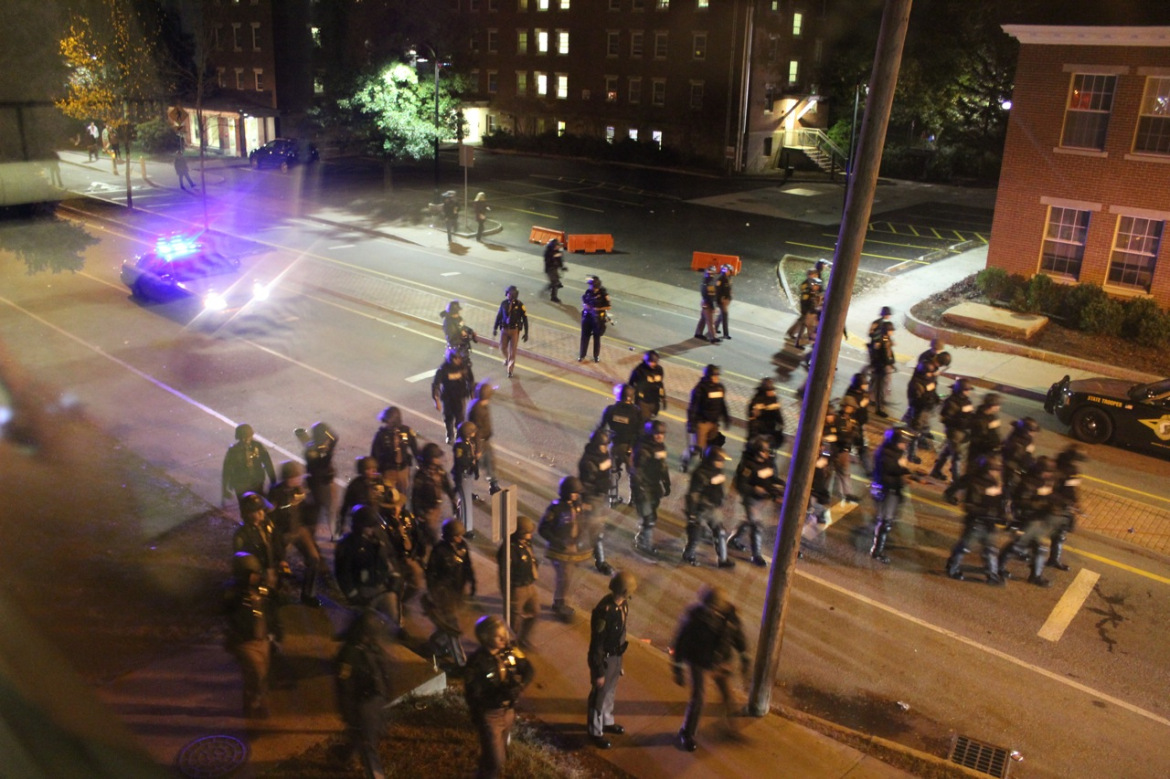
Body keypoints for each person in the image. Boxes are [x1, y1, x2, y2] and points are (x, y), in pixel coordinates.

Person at [670, 585, 749, 752]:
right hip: (698, 661)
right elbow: (681, 643)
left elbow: (737, 636)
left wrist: (744, 655)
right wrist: (677, 668)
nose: (710, 610)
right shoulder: (694, 619)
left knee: (728, 696)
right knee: (698, 698)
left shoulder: (730, 617)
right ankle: (687, 733)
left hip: (719, 660)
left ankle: (732, 729)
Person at [464, 615, 534, 779]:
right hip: (490, 715)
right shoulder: (477, 663)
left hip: (508, 712)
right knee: (497, 760)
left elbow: (528, 669)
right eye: (498, 636)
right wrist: (500, 695)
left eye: (504, 634)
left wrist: (520, 686)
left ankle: (483, 771)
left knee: (495, 753)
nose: (504, 639)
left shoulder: (509, 651)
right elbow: (474, 695)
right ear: (486, 638)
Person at [335, 609, 394, 779]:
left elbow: (383, 674)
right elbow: (344, 687)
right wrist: (349, 714)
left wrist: (386, 696)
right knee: (367, 744)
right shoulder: (349, 654)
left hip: (375, 703)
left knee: (361, 736)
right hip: (362, 705)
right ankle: (376, 775)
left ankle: (342, 757)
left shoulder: (372, 648)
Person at [335, 504, 406, 635]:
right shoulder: (349, 545)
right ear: (360, 526)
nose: (373, 530)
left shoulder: (379, 540)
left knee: (393, 619)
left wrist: (395, 577)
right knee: (364, 627)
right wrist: (353, 595)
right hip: (364, 592)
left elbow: (390, 558)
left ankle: (393, 635)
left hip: (383, 588)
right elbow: (343, 573)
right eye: (370, 527)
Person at [587, 571, 637, 750]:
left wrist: (619, 664)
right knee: (598, 696)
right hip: (605, 659)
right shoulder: (604, 611)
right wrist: (598, 671)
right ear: (624, 591)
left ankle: (606, 721)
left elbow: (621, 635)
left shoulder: (622, 606)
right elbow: (597, 644)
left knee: (610, 692)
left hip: (615, 658)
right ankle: (595, 730)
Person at [224, 551, 276, 719]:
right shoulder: (234, 596)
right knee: (257, 674)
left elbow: (270, 610)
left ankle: (254, 704)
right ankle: (258, 705)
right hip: (246, 643)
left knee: (262, 675)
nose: (256, 577)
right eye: (252, 574)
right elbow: (227, 612)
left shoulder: (260, 592)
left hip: (263, 640)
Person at [268, 460, 326, 606]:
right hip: (282, 532)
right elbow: (273, 519)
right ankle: (275, 593)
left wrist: (307, 500)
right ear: (288, 478)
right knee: (277, 564)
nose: (299, 479)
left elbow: (309, 511)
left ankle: (308, 594)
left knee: (314, 559)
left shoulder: (300, 489)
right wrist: (280, 555)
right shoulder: (276, 493)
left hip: (299, 529)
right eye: (296, 476)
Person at [945, 452, 1006, 585]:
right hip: (976, 523)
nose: (996, 473)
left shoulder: (995, 482)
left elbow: (999, 502)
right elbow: (970, 506)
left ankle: (992, 575)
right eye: (993, 470)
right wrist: (988, 511)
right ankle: (952, 568)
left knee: (991, 549)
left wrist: (1002, 514)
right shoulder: (976, 484)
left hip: (989, 522)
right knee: (964, 547)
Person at [998, 456, 1056, 587]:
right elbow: (1022, 503)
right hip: (1025, 520)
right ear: (1042, 470)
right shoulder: (1028, 483)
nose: (1050, 474)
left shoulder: (1043, 481)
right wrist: (1040, 503)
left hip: (1036, 520)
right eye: (1048, 471)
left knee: (1039, 547)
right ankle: (998, 567)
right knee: (1017, 546)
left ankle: (1035, 576)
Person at [424, 519, 476, 667]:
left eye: (461, 535)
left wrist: (472, 582)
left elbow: (467, 566)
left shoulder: (463, 547)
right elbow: (431, 574)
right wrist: (433, 594)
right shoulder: (439, 551)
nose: (460, 538)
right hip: (443, 594)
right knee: (452, 627)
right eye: (456, 535)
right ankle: (461, 662)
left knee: (446, 625)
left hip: (457, 592)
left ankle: (435, 644)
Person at [538, 475, 589, 621]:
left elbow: (580, 522)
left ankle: (561, 601)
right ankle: (559, 603)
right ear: (566, 492)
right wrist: (557, 541)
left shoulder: (576, 505)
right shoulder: (556, 508)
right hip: (559, 550)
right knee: (564, 577)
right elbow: (543, 529)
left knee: (568, 576)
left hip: (572, 548)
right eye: (574, 492)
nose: (577, 495)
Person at [728, 436, 785, 566]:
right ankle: (756, 555)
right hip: (751, 499)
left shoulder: (768, 462)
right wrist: (755, 489)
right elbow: (742, 485)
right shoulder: (747, 466)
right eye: (764, 451)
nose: (766, 454)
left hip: (763, 499)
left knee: (748, 521)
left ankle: (733, 539)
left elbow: (771, 477)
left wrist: (781, 484)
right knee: (756, 524)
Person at [682, 444, 735, 568]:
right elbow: (693, 494)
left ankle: (723, 559)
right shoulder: (700, 474)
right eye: (719, 461)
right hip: (701, 508)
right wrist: (692, 513)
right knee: (696, 534)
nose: (721, 463)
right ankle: (688, 555)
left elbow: (718, 491)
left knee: (720, 532)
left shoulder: (717, 471)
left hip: (713, 508)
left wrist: (721, 501)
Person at [869, 427, 913, 564]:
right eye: (902, 442)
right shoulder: (886, 455)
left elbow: (899, 469)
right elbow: (885, 476)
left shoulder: (896, 453)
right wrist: (902, 477)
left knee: (888, 519)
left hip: (893, 491)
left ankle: (879, 540)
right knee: (885, 522)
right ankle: (877, 551)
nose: (904, 445)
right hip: (886, 491)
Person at [497, 515, 540, 649]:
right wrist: (507, 592)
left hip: (530, 585)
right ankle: (509, 644)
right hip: (517, 588)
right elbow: (504, 574)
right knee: (513, 622)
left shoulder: (526, 543)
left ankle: (523, 639)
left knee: (535, 611)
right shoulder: (509, 549)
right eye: (527, 533)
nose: (530, 535)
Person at [577, 428, 616, 576]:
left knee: (589, 527)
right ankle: (600, 562)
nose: (606, 447)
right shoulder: (588, 462)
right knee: (595, 531)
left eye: (607, 445)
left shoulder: (603, 455)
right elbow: (586, 484)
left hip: (601, 497)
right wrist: (587, 501)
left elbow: (607, 472)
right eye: (603, 445)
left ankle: (580, 546)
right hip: (592, 498)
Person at [630, 419, 671, 556]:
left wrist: (666, 483)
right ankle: (644, 544)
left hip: (654, 486)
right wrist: (639, 490)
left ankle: (642, 535)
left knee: (651, 515)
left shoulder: (660, 448)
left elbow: (663, 467)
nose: (660, 436)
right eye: (656, 433)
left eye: (662, 433)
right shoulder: (643, 450)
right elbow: (637, 472)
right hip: (644, 487)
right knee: (648, 518)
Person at [597, 383, 641, 507]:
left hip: (614, 446)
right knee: (632, 474)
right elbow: (639, 432)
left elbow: (601, 428)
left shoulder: (610, 410)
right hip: (629, 448)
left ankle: (613, 498)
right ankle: (632, 500)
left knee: (613, 473)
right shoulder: (636, 411)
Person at [680, 364, 730, 473]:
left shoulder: (720, 388)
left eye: (717, 375)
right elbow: (693, 407)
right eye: (714, 375)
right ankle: (685, 460)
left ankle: (706, 466)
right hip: (701, 423)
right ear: (708, 376)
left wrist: (726, 418)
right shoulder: (700, 389)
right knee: (698, 448)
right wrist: (691, 423)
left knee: (711, 447)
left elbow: (722, 405)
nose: (717, 378)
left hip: (714, 423)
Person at [1047, 444, 1086, 573]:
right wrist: (1075, 504)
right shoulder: (1071, 471)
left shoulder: (1057, 463)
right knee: (1059, 533)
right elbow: (1070, 491)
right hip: (1059, 505)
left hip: (1051, 502)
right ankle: (1053, 560)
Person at [930, 378, 974, 490]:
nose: (968, 392)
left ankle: (936, 470)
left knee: (947, 452)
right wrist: (961, 419)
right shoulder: (952, 402)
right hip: (954, 432)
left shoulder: (966, 401)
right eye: (966, 390)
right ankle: (956, 480)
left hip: (962, 432)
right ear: (960, 390)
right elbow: (946, 419)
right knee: (957, 456)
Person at [295, 421, 338, 536]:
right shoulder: (313, 451)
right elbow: (322, 464)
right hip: (318, 484)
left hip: (321, 482)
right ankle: (316, 531)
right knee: (323, 508)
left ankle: (327, 530)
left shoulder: (314, 447)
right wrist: (328, 452)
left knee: (325, 508)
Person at [412, 442, 458, 548]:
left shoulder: (440, 471)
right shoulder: (421, 476)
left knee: (433, 530)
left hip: (437, 507)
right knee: (432, 533)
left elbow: (447, 486)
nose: (440, 459)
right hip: (427, 509)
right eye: (437, 457)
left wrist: (453, 500)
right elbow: (415, 496)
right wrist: (418, 512)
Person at [222, 423, 276, 510]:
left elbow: (268, 463)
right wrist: (224, 488)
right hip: (241, 483)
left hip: (256, 481)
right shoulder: (233, 450)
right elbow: (227, 469)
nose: (245, 440)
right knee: (245, 505)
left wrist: (273, 480)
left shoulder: (258, 447)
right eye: (242, 437)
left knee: (259, 503)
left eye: (247, 437)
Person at [370, 406, 421, 496]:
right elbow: (374, 455)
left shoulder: (407, 431)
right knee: (388, 496)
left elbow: (415, 450)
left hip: (403, 470)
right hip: (388, 471)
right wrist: (375, 474)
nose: (386, 424)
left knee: (403, 496)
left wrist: (421, 466)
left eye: (388, 421)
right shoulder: (381, 435)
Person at [338, 456, 388, 538]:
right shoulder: (355, 485)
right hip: (361, 523)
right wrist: (342, 524)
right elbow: (346, 505)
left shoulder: (380, 482)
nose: (373, 471)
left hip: (378, 522)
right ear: (362, 471)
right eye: (369, 469)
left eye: (374, 468)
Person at [432, 348, 473, 444]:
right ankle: (450, 434)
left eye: (459, 358)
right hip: (448, 398)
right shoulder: (443, 370)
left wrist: (472, 394)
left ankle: (459, 436)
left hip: (460, 397)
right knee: (448, 418)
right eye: (456, 358)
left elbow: (470, 380)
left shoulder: (463, 367)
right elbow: (436, 385)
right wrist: (436, 400)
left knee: (460, 419)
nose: (459, 360)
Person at [467, 381, 501, 494]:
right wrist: (477, 450)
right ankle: (467, 489)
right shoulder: (478, 410)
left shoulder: (480, 405)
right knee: (475, 466)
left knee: (490, 462)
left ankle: (493, 484)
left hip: (484, 440)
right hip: (480, 442)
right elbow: (477, 431)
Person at [492, 285, 529, 378]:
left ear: (513, 295)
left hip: (514, 331)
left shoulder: (520, 305)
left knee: (513, 351)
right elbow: (499, 316)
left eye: (509, 293)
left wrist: (526, 332)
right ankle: (508, 359)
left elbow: (525, 319)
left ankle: (510, 370)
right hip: (504, 329)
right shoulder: (504, 303)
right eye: (507, 293)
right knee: (502, 348)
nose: (507, 295)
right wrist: (495, 328)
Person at [452, 420, 480, 535]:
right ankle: (466, 528)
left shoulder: (468, 443)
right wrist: (471, 461)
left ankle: (460, 519)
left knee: (464, 500)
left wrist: (475, 468)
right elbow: (460, 461)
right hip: (462, 474)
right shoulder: (460, 445)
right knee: (466, 503)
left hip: (467, 474)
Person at [867, 307, 896, 418]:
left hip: (881, 364)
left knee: (876, 382)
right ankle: (877, 405)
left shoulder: (886, 338)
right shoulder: (878, 327)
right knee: (879, 385)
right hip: (880, 365)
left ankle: (870, 398)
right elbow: (883, 354)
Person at [786, 267, 823, 347]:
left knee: (803, 323)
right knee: (807, 325)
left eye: (816, 275)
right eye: (813, 275)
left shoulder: (815, 283)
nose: (815, 276)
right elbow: (805, 300)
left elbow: (818, 293)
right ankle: (803, 341)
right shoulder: (806, 285)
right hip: (808, 309)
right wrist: (806, 311)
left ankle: (793, 333)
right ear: (809, 275)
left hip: (811, 309)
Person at [579, 275, 612, 362]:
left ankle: (596, 356)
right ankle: (582, 355)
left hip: (598, 319)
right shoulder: (588, 292)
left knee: (596, 337)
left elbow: (608, 307)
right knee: (584, 336)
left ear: (596, 286)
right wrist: (585, 305)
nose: (590, 287)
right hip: (587, 317)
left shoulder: (603, 295)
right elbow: (584, 300)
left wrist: (597, 309)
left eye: (591, 285)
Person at [746, 377, 785, 450]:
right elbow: (752, 420)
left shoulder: (774, 399)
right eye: (770, 390)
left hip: (770, 431)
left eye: (772, 390)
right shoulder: (757, 401)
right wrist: (754, 435)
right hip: (759, 433)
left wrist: (781, 423)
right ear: (764, 391)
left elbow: (778, 413)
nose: (772, 392)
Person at [627, 350, 666, 423]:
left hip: (654, 400)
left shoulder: (659, 370)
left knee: (650, 418)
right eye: (651, 362)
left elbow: (660, 384)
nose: (653, 364)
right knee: (644, 421)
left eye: (654, 362)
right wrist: (629, 398)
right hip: (643, 401)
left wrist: (663, 397)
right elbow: (631, 384)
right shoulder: (639, 370)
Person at [441, 300, 478, 374]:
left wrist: (470, 331)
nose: (458, 313)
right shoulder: (448, 323)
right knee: (455, 368)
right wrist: (460, 334)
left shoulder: (458, 319)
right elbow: (451, 336)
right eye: (456, 312)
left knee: (466, 367)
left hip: (463, 347)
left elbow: (462, 327)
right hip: (455, 349)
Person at [693, 267, 720, 344]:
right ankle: (713, 337)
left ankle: (698, 333)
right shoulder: (710, 284)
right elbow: (711, 297)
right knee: (710, 321)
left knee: (703, 319)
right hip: (708, 304)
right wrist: (714, 307)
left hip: (704, 302)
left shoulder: (705, 281)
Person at [714, 264, 734, 340]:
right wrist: (720, 300)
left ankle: (715, 328)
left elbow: (729, 288)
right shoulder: (720, 279)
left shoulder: (729, 278)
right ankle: (726, 334)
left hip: (726, 299)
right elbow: (717, 290)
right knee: (725, 315)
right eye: (729, 270)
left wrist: (730, 297)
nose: (730, 272)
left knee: (721, 315)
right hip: (722, 300)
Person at [543, 237, 565, 302]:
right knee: (555, 282)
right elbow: (547, 261)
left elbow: (560, 260)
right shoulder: (548, 252)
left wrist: (562, 267)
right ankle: (553, 297)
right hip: (550, 269)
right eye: (557, 246)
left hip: (555, 268)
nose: (558, 247)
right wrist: (553, 256)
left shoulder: (557, 251)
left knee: (556, 282)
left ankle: (551, 286)